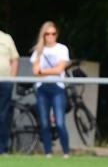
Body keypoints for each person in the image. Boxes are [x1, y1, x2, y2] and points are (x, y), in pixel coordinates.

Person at [30, 21, 71, 158]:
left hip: (57, 88)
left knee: (59, 122)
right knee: (44, 122)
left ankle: (66, 152)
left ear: (57, 34)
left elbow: (60, 69)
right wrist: (50, 71)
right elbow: (35, 71)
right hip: (42, 88)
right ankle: (48, 152)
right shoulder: (38, 51)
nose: (50, 36)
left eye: (53, 33)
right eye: (47, 34)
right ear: (43, 35)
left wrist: (43, 71)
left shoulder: (62, 49)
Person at [0, 30, 20, 154]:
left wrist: (11, 79)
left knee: (3, 116)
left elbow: (14, 59)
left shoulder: (6, 38)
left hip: (5, 83)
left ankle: (2, 149)